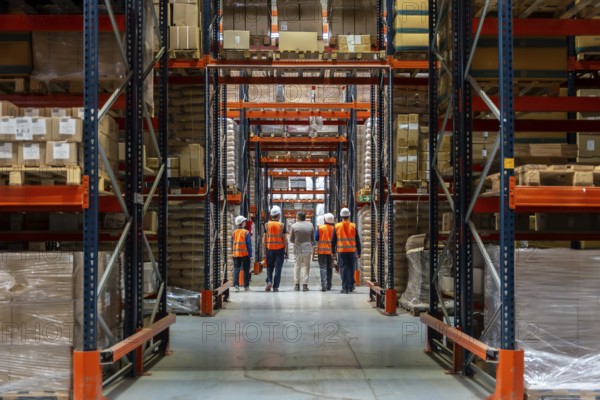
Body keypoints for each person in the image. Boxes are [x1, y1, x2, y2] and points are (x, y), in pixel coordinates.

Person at [331, 208, 361, 294]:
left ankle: (345, 288)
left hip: (341, 250)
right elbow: (357, 240)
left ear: (341, 216)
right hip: (351, 250)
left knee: (343, 268)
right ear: (349, 215)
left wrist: (333, 252)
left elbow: (333, 241)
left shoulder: (337, 226)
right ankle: (351, 286)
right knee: (351, 268)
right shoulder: (353, 225)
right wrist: (359, 252)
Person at [263, 205, 288, 292]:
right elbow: (285, 240)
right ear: (278, 215)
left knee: (269, 267)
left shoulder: (266, 225)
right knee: (278, 268)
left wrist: (264, 251)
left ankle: (269, 281)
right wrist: (286, 251)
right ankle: (275, 286)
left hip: (269, 249)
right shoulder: (282, 225)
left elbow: (264, 240)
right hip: (280, 250)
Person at [289, 211, 315, 291]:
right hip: (307, 249)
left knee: (297, 266)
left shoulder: (294, 226)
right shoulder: (310, 225)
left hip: (298, 249)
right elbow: (312, 239)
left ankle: (297, 285)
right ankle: (305, 285)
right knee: (306, 267)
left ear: (298, 217)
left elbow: (291, 239)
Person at [315, 213, 335, 291]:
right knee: (330, 268)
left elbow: (316, 238)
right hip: (331, 251)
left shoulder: (320, 228)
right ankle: (329, 285)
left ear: (324, 220)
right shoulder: (334, 228)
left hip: (322, 251)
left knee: (323, 268)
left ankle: (324, 286)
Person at [232, 215, 253, 291]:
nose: (245, 223)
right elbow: (248, 244)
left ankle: (236, 286)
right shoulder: (246, 232)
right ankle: (246, 286)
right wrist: (250, 254)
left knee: (236, 269)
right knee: (246, 270)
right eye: (244, 221)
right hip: (245, 254)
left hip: (236, 254)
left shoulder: (234, 232)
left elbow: (232, 243)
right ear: (242, 223)